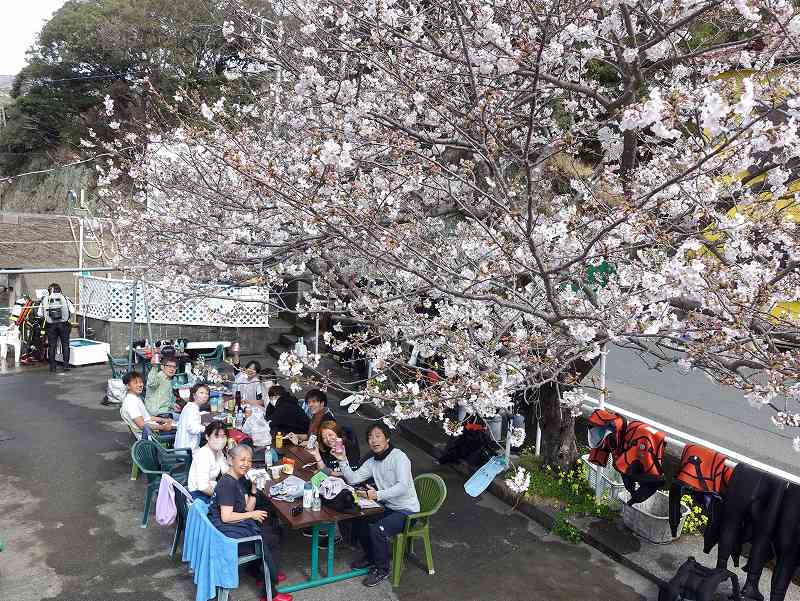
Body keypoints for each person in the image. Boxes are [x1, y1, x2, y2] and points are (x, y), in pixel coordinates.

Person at [334, 423, 419, 587]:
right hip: (388, 506)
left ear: (387, 438)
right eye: (370, 437)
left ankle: (382, 569)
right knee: (360, 519)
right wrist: (342, 459)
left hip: (407, 510)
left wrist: (377, 494)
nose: (373, 440)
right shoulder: (373, 461)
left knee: (378, 529)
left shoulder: (399, 457)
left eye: (378, 436)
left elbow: (402, 487)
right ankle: (371, 557)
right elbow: (353, 478)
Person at [208, 444, 292, 601]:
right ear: (231, 460)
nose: (246, 464)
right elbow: (226, 516)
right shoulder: (228, 483)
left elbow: (245, 509)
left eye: (249, 460)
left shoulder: (236, 479)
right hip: (228, 537)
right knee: (270, 538)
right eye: (242, 459)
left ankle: (263, 573)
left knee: (271, 529)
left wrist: (253, 489)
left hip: (227, 530)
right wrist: (252, 514)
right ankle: (269, 591)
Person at [119, 371, 174, 439]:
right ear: (128, 386)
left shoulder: (135, 397)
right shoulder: (131, 403)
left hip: (151, 431)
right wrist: (163, 427)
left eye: (141, 382)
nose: (140, 385)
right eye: (135, 383)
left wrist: (164, 420)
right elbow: (142, 425)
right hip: (149, 437)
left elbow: (147, 418)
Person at [37, 283, 75, 373]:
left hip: (51, 326)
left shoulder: (45, 299)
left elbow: (39, 314)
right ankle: (66, 366)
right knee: (65, 345)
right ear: (60, 290)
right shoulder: (65, 298)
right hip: (64, 325)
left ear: (49, 290)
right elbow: (72, 311)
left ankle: (52, 367)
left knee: (52, 346)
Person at [187, 421, 229, 502]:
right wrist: (222, 497)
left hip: (211, 488)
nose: (221, 440)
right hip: (199, 495)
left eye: (223, 436)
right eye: (216, 436)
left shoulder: (218, 451)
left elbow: (225, 471)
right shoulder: (204, 455)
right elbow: (203, 487)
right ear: (207, 437)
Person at [174, 383, 209, 450]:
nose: (205, 396)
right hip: (187, 452)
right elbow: (193, 429)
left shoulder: (190, 406)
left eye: (207, 393)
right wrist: (207, 428)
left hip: (182, 448)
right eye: (201, 393)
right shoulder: (192, 409)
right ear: (194, 395)